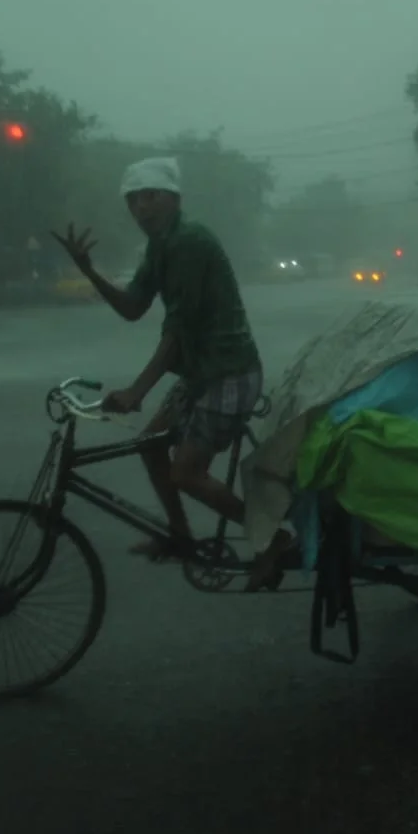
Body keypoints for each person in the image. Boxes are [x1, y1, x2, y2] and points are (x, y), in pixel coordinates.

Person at [51, 156, 293, 591]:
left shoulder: (190, 242)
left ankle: (274, 540)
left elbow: (178, 332)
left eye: (150, 197)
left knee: (186, 473)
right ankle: (180, 534)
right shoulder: (161, 248)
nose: (141, 208)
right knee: (150, 445)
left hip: (229, 372)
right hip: (202, 373)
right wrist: (88, 271)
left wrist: (137, 389)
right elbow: (133, 307)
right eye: (133, 201)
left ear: (173, 199)